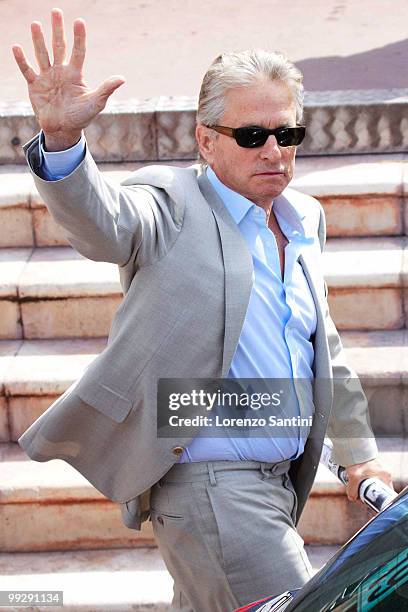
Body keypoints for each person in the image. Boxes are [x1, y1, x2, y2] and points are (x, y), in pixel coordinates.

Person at [13, 8, 393, 612]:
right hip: (210, 485)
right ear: (206, 139)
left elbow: (324, 348)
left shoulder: (304, 218)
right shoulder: (171, 200)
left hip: (275, 483)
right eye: (251, 136)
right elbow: (105, 225)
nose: (273, 150)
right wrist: (62, 142)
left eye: (286, 133)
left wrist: (355, 447)